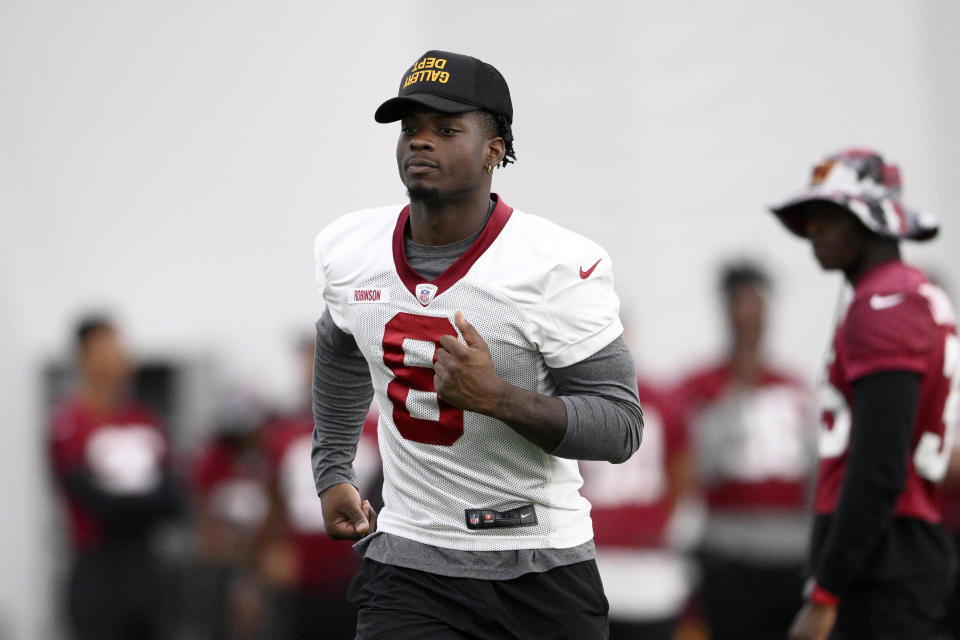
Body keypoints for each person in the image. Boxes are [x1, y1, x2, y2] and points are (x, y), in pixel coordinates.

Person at [311, 50, 643, 639]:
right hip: (411, 561)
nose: (420, 142)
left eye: (446, 129)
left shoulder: (555, 264)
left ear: (495, 149)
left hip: (540, 566)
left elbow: (620, 426)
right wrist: (333, 468)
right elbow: (338, 343)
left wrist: (497, 397)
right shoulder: (350, 251)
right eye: (410, 129)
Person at [768, 149, 959, 640]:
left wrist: (826, 592)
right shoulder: (905, 293)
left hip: (883, 557)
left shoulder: (885, 303)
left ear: (872, 217)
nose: (814, 229)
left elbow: (879, 465)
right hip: (896, 545)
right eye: (811, 217)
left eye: (831, 215)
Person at [674, 261, 816, 640]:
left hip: (792, 556)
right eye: (742, 303)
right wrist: (739, 384)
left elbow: (814, 474)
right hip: (729, 555)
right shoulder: (700, 385)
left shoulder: (794, 386)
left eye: (759, 304)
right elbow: (695, 469)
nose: (751, 314)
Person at [48, 315, 182, 640]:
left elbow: (174, 497)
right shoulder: (70, 424)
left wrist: (123, 501)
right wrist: (141, 502)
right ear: (84, 357)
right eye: (106, 348)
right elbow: (92, 501)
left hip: (145, 565)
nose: (118, 355)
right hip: (98, 566)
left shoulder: (146, 420)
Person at [258, 335, 380, 640]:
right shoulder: (282, 434)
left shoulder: (377, 431)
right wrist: (272, 551)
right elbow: (273, 501)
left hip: (363, 574)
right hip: (303, 579)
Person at [579, 374, 694, 640]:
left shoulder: (564, 395)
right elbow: (685, 475)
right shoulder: (662, 398)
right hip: (643, 570)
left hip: (595, 563)